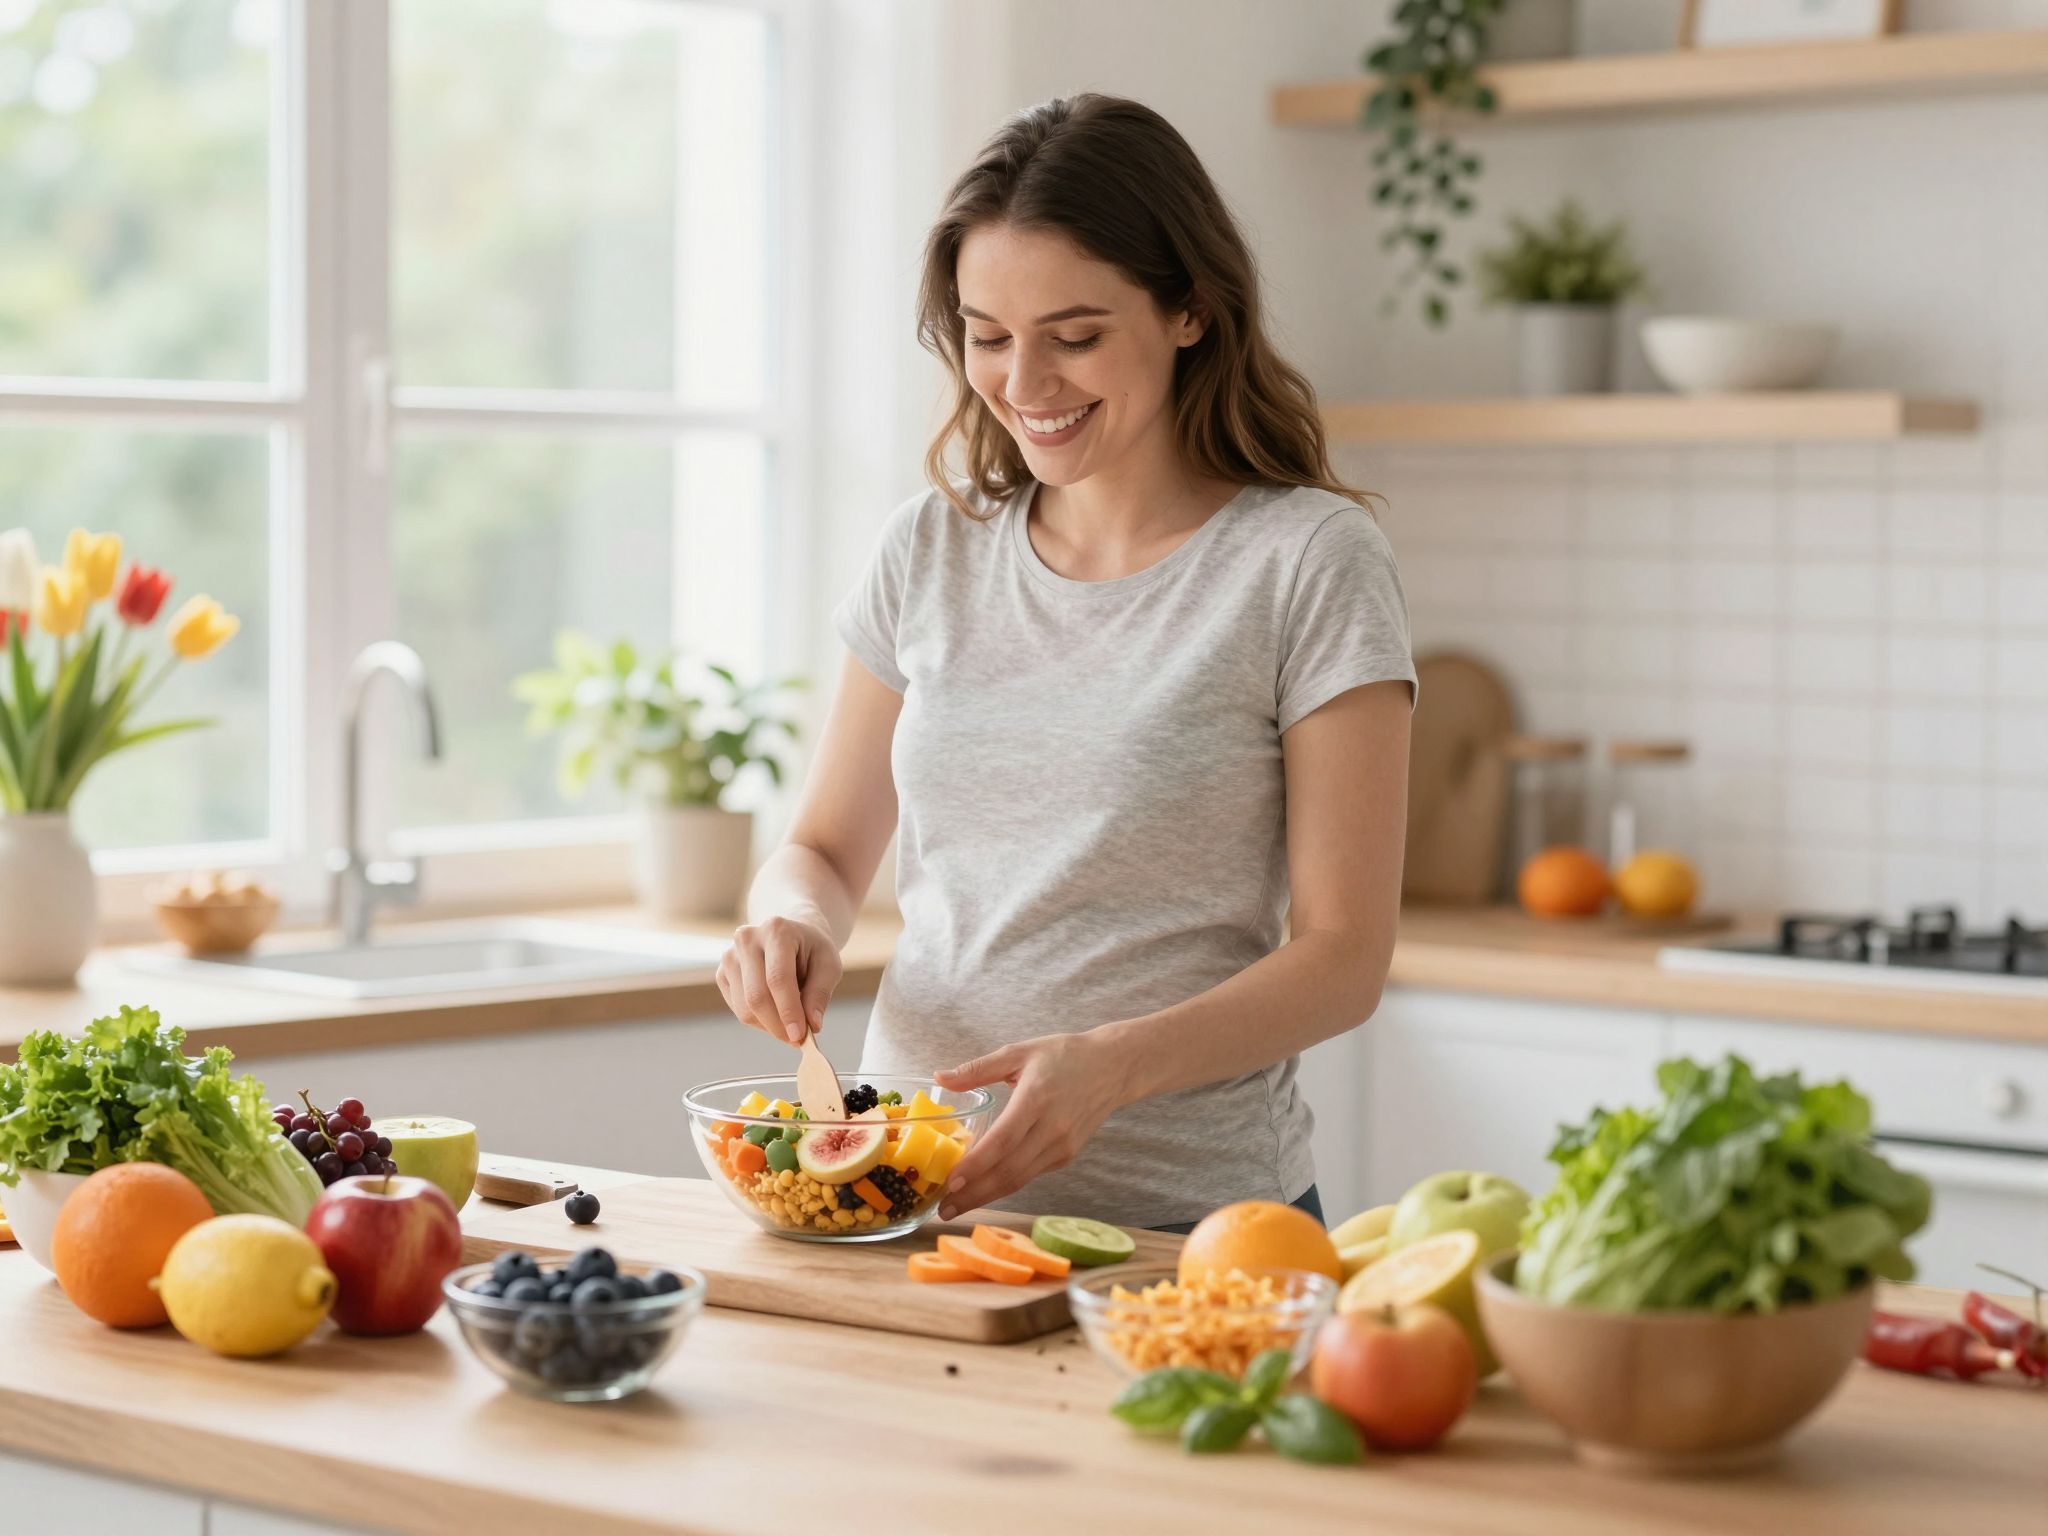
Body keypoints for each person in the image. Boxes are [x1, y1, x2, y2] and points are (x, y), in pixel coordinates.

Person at [717, 93, 1413, 1232]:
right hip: (906, 1201)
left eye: (1075, 337)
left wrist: (1111, 1067)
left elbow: (1344, 957)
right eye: (987, 336)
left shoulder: (1306, 561)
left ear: (1189, 309)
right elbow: (824, 850)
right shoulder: (930, 547)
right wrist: (792, 920)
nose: (1024, 384)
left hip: (1184, 1225)